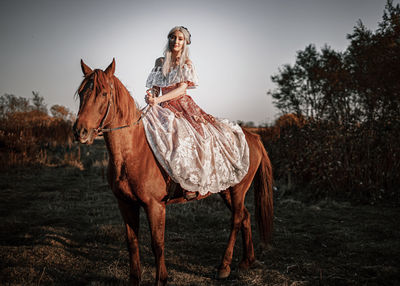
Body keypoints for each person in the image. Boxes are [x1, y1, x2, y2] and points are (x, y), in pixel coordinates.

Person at [143, 26, 249, 200]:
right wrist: (151, 96)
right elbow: (155, 88)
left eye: (180, 39)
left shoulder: (186, 64)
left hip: (181, 106)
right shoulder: (160, 62)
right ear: (168, 39)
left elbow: (181, 89)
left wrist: (158, 101)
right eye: (172, 37)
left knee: (191, 137)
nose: (175, 41)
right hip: (160, 105)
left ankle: (190, 183)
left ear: (185, 43)